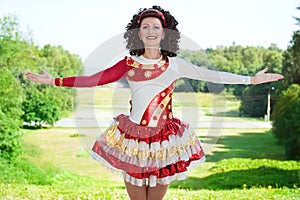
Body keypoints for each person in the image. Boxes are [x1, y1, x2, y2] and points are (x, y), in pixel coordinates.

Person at [26, 5, 284, 200]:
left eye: (156, 27)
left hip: (164, 142)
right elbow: (96, 79)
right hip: (132, 140)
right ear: (138, 33)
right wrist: (55, 81)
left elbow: (212, 76)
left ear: (164, 33)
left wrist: (250, 79)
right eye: (145, 27)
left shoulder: (175, 64)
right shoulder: (129, 63)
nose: (150, 31)